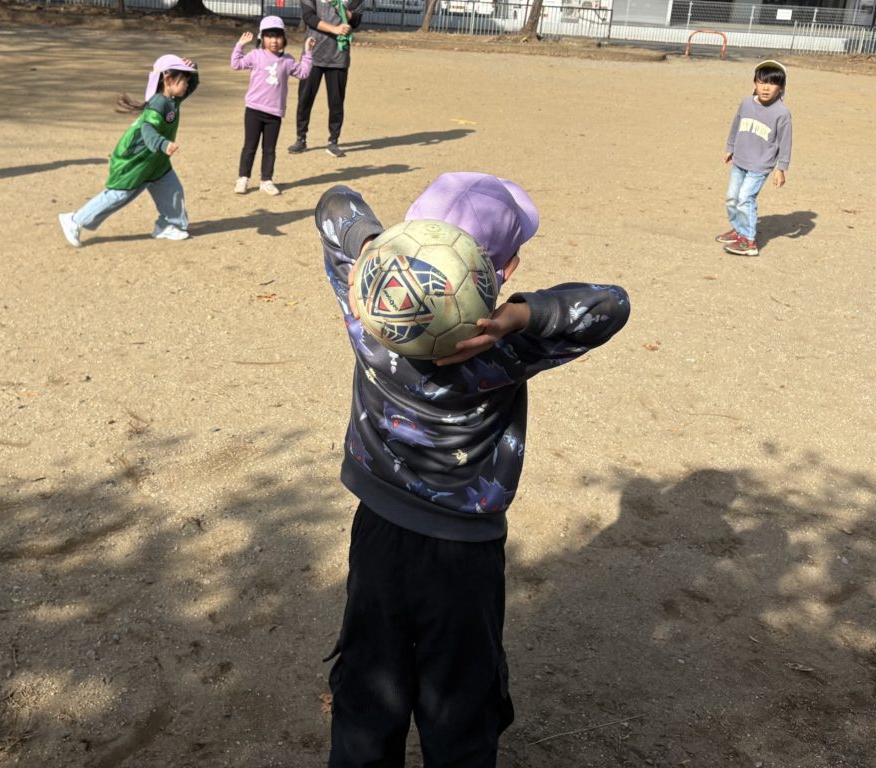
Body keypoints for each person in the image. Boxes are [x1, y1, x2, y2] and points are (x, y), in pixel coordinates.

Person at [315, 172, 630, 767]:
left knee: (366, 690)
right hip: (464, 554)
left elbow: (336, 205)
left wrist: (371, 252)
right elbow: (611, 305)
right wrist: (521, 315)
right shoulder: (508, 345)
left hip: (377, 530)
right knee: (460, 704)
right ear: (505, 270)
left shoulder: (368, 308)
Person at [58, 55, 199, 248]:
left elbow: (192, 86)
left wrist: (193, 69)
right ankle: (74, 220)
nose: (187, 85)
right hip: (136, 160)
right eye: (184, 80)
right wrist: (162, 144)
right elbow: (147, 129)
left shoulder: (173, 99)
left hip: (155, 161)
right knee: (119, 195)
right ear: (167, 80)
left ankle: (168, 225)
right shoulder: (158, 104)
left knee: (172, 189)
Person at [231, 16, 315, 196]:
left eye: (277, 36)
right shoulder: (256, 55)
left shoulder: (288, 60)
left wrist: (308, 52)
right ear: (262, 38)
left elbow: (303, 73)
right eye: (269, 36)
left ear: (283, 38)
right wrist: (240, 45)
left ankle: (266, 180)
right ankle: (243, 178)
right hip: (254, 110)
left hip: (274, 113)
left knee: (269, 149)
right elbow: (236, 64)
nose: (274, 41)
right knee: (249, 147)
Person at [717, 60, 793, 257]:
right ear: (754, 83)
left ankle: (749, 241)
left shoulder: (782, 113)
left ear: (781, 88)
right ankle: (738, 230)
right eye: (762, 82)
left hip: (760, 165)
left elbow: (785, 142)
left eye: (773, 83)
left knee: (745, 198)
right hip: (740, 161)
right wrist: (730, 147)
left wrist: (781, 168)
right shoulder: (746, 104)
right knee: (732, 198)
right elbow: (735, 125)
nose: (766, 87)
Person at [288, 0, 363, 159]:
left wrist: (337, 5)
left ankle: (333, 141)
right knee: (305, 99)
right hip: (312, 55)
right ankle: (301, 138)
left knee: (336, 101)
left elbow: (356, 20)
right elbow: (309, 17)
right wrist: (334, 29)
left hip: (338, 56)